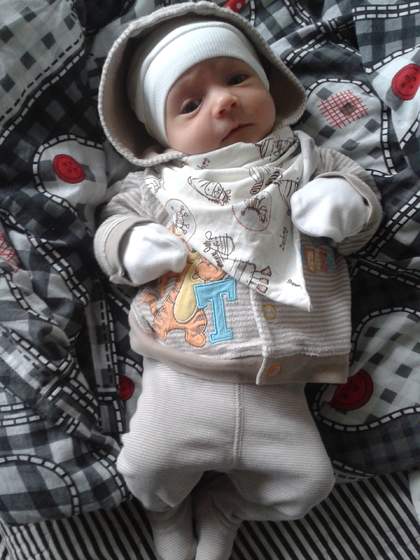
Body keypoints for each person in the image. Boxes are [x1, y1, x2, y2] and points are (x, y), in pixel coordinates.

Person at [94, 2, 383, 559]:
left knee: (308, 484)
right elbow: (112, 223)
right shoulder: (158, 184)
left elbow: (363, 196)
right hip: (182, 372)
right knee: (145, 466)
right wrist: (129, 243)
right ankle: (166, 513)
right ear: (162, 134)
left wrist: (347, 203)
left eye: (236, 78)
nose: (224, 101)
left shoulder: (307, 159)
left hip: (282, 382)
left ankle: (226, 509)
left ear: (269, 83)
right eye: (190, 104)